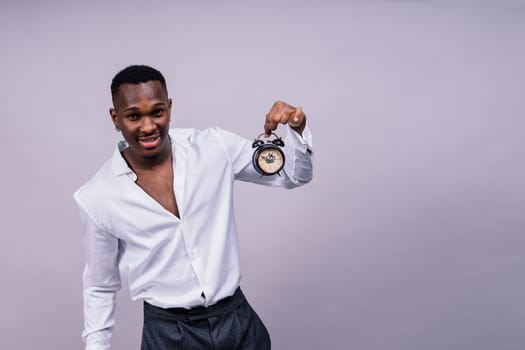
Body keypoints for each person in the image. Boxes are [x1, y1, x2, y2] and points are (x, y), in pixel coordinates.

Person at [74, 65, 313, 350]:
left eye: (157, 112)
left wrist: (297, 129)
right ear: (116, 118)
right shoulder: (97, 197)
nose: (148, 126)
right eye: (134, 116)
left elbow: (294, 176)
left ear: (170, 108)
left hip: (237, 322)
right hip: (167, 334)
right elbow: (100, 285)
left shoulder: (214, 147)